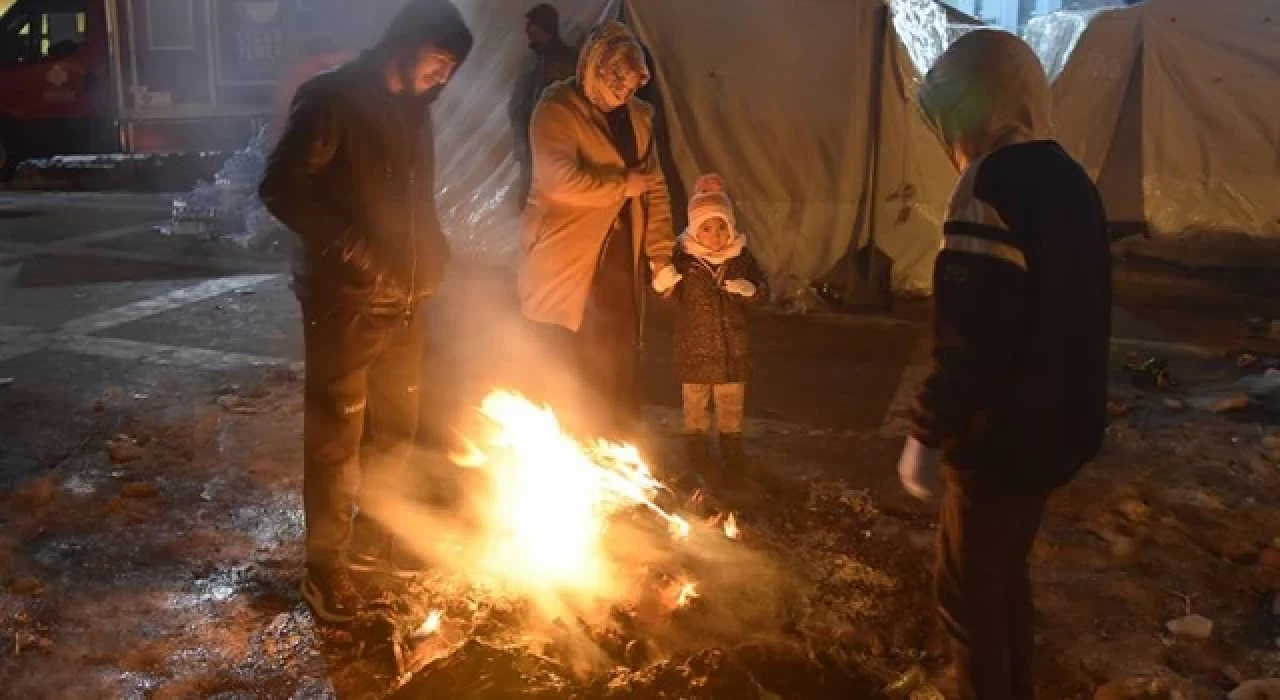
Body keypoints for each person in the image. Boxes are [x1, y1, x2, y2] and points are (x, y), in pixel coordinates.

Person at [897, 29, 1111, 699]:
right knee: (1004, 577)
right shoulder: (1072, 179)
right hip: (1061, 433)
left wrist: (926, 434)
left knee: (967, 599)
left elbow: (972, 333)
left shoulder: (991, 186)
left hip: (1002, 441)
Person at [258, 0, 473, 624]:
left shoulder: (415, 112)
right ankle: (325, 572)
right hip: (345, 302)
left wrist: (433, 252)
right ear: (404, 45)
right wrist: (358, 254)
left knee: (395, 429)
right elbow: (280, 188)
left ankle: (379, 533)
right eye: (439, 63)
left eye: (452, 70)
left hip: (405, 302)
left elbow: (412, 200)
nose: (444, 78)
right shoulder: (331, 99)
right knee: (335, 439)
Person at [518, 20, 676, 441]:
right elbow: (558, 181)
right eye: (616, 83)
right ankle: (571, 443)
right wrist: (621, 186)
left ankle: (616, 447)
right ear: (594, 69)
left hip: (619, 258)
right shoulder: (556, 110)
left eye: (630, 85)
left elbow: (654, 188)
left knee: (618, 354)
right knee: (568, 356)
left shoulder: (639, 117)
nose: (623, 93)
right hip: (565, 258)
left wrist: (660, 255)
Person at [668, 174, 767, 486]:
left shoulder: (740, 258)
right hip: (694, 349)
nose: (716, 235)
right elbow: (668, 294)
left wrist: (750, 289)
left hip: (731, 351)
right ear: (695, 230)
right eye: (707, 228)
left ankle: (731, 454)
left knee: (730, 406)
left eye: (722, 226)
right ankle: (697, 454)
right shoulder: (684, 260)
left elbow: (763, 290)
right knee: (695, 408)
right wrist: (663, 285)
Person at [509, 3, 580, 210]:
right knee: (529, 201)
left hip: (548, 144)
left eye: (533, 26)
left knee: (542, 202)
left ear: (546, 28)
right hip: (530, 145)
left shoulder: (563, 59)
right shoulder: (535, 58)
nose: (528, 30)